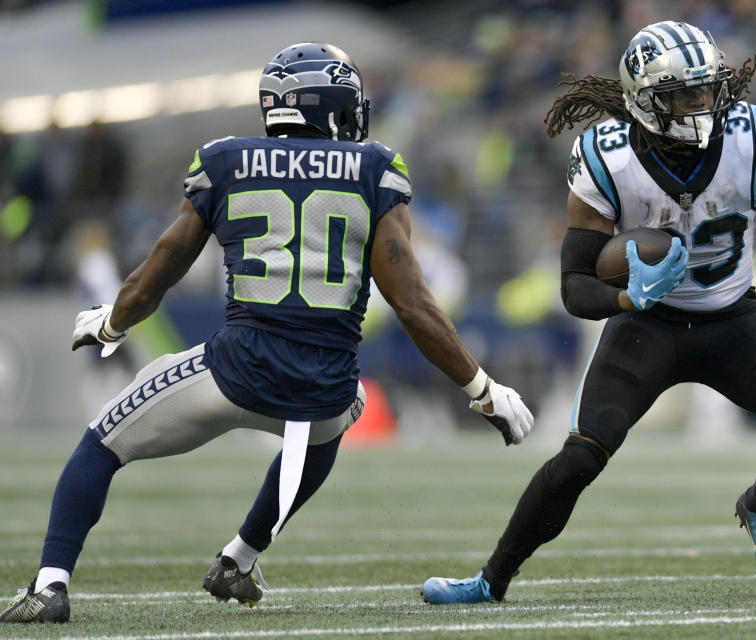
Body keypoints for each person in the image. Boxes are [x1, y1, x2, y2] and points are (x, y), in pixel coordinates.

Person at [0, 42, 534, 624]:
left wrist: (111, 321)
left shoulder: (227, 160)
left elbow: (164, 265)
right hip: (322, 392)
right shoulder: (374, 169)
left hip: (232, 372)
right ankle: (240, 556)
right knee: (350, 399)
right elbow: (412, 305)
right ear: (330, 105)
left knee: (100, 444)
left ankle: (50, 584)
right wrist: (484, 389)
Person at [422, 20, 756, 604]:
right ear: (648, 102)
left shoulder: (752, 138)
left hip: (732, 316)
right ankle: (491, 581)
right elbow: (574, 285)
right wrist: (629, 297)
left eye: (706, 88)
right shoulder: (607, 157)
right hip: (649, 325)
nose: (703, 103)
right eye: (685, 94)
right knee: (577, 461)